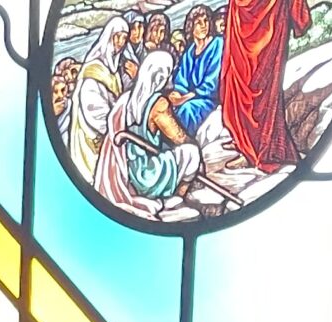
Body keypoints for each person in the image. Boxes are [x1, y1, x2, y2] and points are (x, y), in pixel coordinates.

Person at [98, 49, 204, 218]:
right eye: (168, 73)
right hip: (150, 176)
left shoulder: (127, 99)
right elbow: (179, 138)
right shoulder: (159, 104)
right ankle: (176, 198)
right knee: (191, 151)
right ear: (161, 76)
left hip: (133, 172)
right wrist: (199, 163)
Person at [220, 0, 310, 172]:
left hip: (267, 15)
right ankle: (242, 139)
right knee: (236, 78)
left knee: (258, 85)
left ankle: (255, 150)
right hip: (240, 16)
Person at [67, 14, 132, 182]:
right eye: (117, 36)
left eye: (124, 38)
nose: (120, 42)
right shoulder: (93, 72)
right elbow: (94, 112)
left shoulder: (112, 71)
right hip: (92, 139)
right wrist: (115, 130)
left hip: (110, 134)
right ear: (109, 36)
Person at [170, 5, 224, 134]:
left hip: (208, 100)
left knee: (187, 109)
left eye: (206, 21)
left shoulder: (218, 44)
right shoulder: (190, 51)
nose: (204, 25)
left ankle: (186, 142)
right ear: (191, 27)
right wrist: (176, 94)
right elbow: (181, 81)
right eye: (198, 23)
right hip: (189, 98)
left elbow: (211, 85)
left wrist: (184, 98)